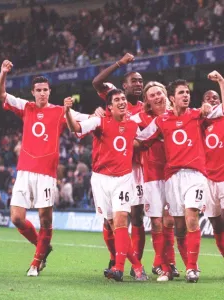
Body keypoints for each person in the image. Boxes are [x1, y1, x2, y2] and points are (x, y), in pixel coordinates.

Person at [0, 60, 89, 277]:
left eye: (45, 90)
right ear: (33, 92)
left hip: (46, 175)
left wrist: (100, 114)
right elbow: (0, 94)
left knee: (45, 219)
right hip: (24, 172)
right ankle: (43, 247)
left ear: (50, 91)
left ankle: (36, 263)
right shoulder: (25, 107)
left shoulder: (59, 112)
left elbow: (85, 120)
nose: (42, 93)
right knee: (17, 218)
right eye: (38, 90)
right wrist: (3, 73)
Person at [137, 78, 224, 283]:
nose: (186, 95)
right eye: (181, 93)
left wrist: (221, 81)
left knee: (191, 217)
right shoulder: (161, 121)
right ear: (172, 98)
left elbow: (221, 110)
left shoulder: (197, 115)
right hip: (172, 178)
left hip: (196, 176)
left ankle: (192, 269)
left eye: (187, 92)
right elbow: (141, 137)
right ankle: (180, 266)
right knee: (179, 226)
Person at [64, 89, 148, 282]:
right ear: (109, 106)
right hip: (101, 179)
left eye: (123, 99)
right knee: (111, 224)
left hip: (123, 178)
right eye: (116, 99)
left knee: (120, 222)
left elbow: (148, 139)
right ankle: (137, 266)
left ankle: (118, 268)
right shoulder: (99, 121)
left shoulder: (134, 124)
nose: (121, 102)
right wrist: (67, 112)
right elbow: (76, 128)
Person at [92, 53, 146, 272]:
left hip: (136, 168)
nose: (138, 84)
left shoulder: (144, 107)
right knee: (111, 220)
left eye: (141, 81)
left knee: (136, 216)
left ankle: (134, 264)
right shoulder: (116, 98)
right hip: (111, 167)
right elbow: (96, 82)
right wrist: (119, 63)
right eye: (134, 81)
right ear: (123, 86)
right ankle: (115, 258)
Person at [131, 81, 178, 281]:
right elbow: (121, 126)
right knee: (157, 222)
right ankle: (161, 264)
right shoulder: (139, 119)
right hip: (151, 177)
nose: (157, 97)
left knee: (170, 221)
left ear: (166, 94)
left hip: (174, 174)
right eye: (152, 95)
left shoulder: (177, 113)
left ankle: (169, 263)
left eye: (159, 93)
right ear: (147, 102)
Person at [202, 71, 224, 257]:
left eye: (216, 97)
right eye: (208, 98)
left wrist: (221, 81)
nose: (212, 99)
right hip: (206, 180)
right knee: (216, 224)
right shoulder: (199, 121)